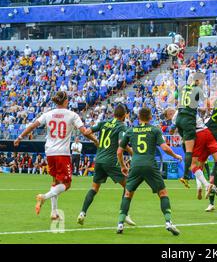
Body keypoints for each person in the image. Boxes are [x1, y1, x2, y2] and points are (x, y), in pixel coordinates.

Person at [14, 91, 98, 220]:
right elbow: (84, 132)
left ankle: (54, 213)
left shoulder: (48, 114)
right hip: (62, 153)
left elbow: (33, 126)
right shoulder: (72, 115)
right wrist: (95, 140)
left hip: (49, 152)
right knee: (67, 184)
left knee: (55, 182)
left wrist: (20, 137)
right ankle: (44, 197)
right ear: (65, 101)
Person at [116, 107, 182, 235]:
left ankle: (120, 224)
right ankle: (168, 222)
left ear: (139, 117)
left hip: (135, 165)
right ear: (150, 117)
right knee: (162, 193)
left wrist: (123, 166)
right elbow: (165, 148)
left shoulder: (131, 130)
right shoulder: (154, 130)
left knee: (128, 194)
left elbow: (119, 151)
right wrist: (176, 156)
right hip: (150, 165)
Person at [77, 104, 135, 226]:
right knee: (129, 185)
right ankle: (124, 213)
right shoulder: (121, 126)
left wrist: (96, 141)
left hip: (99, 160)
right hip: (111, 161)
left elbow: (86, 132)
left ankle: (82, 212)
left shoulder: (104, 123)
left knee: (94, 188)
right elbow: (121, 143)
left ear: (114, 114)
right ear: (124, 115)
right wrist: (130, 154)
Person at [175, 72, 205, 188]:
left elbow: (175, 96)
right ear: (197, 80)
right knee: (190, 150)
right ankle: (186, 176)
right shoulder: (198, 89)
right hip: (188, 120)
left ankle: (189, 164)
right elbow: (206, 104)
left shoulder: (182, 87)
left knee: (186, 143)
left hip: (179, 118)